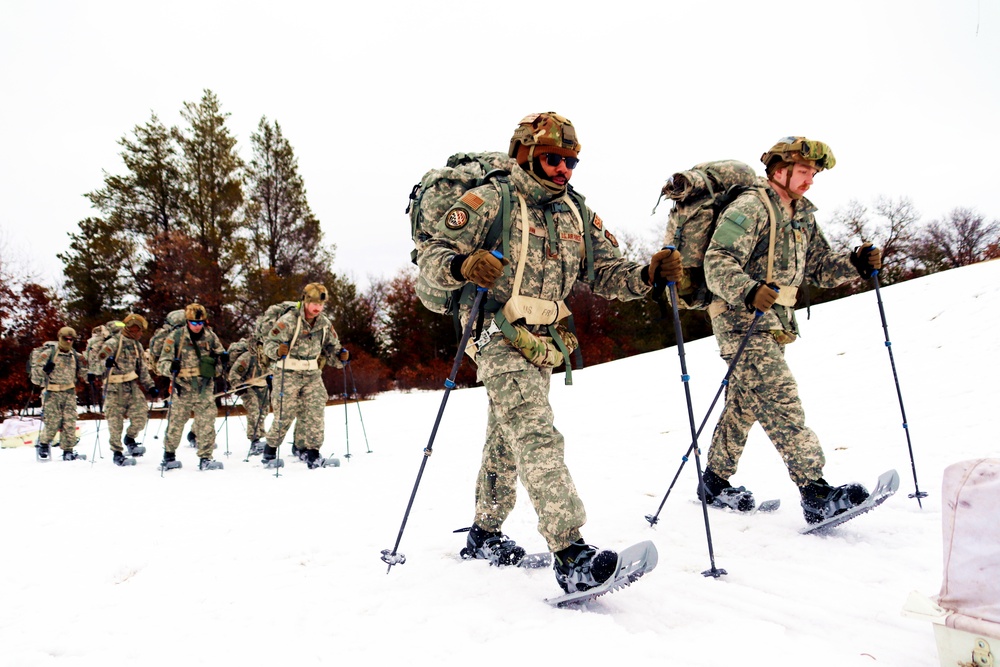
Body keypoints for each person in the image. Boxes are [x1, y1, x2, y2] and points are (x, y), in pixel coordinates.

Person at [416, 111, 681, 593]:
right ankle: (571, 553)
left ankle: (484, 533)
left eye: (571, 162)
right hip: (494, 332)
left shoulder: (575, 211)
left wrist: (647, 275)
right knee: (536, 432)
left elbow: (608, 273)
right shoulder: (491, 198)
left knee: (508, 435)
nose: (564, 169)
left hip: (542, 340)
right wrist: (462, 263)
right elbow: (430, 257)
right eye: (553, 159)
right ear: (525, 154)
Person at [701, 136, 882, 523]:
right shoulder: (751, 207)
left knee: (744, 403)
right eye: (804, 172)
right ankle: (815, 492)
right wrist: (748, 290)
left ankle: (713, 481)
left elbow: (818, 265)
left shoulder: (801, 214)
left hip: (776, 322)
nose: (810, 180)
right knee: (781, 399)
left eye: (813, 173)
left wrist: (855, 263)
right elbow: (717, 262)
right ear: (779, 170)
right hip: (740, 321)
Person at [261, 283, 348, 469]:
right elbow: (268, 344)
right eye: (314, 303)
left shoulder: (324, 323)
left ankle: (312, 453)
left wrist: (341, 355)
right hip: (287, 373)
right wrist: (277, 350)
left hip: (311, 373)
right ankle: (269, 450)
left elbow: (332, 347)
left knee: (315, 411)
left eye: (321, 304)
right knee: (285, 414)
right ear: (306, 301)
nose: (317, 307)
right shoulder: (289, 320)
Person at [156, 303, 228, 471]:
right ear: (187, 322)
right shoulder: (176, 337)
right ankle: (169, 456)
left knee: (207, 423)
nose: (197, 327)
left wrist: (221, 363)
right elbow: (162, 364)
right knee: (176, 423)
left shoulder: (210, 337)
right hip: (183, 388)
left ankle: (205, 457)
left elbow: (219, 355)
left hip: (204, 388)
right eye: (193, 323)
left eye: (200, 323)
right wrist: (171, 367)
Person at [95, 313, 158, 466]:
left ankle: (130, 438)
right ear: (131, 329)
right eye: (138, 330)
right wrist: (106, 363)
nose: (140, 333)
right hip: (114, 387)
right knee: (115, 422)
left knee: (141, 416)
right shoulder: (113, 343)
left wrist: (150, 386)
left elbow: (142, 369)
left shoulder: (137, 346)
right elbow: (96, 366)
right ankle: (117, 452)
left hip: (131, 385)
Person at [30, 326, 88, 461]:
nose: (68, 341)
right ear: (59, 338)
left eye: (71, 339)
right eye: (65, 338)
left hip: (69, 392)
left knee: (70, 421)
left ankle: (68, 450)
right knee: (52, 421)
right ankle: (44, 443)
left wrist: (91, 376)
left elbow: (84, 371)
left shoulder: (75, 356)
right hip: (52, 392)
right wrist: (44, 370)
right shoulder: (48, 354)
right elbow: (35, 377)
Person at [227, 338, 270, 456]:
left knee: (264, 412)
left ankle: (261, 436)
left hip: (263, 386)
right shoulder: (247, 357)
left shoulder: (269, 357)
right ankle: (255, 440)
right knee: (254, 411)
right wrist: (238, 386)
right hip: (248, 387)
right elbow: (234, 374)